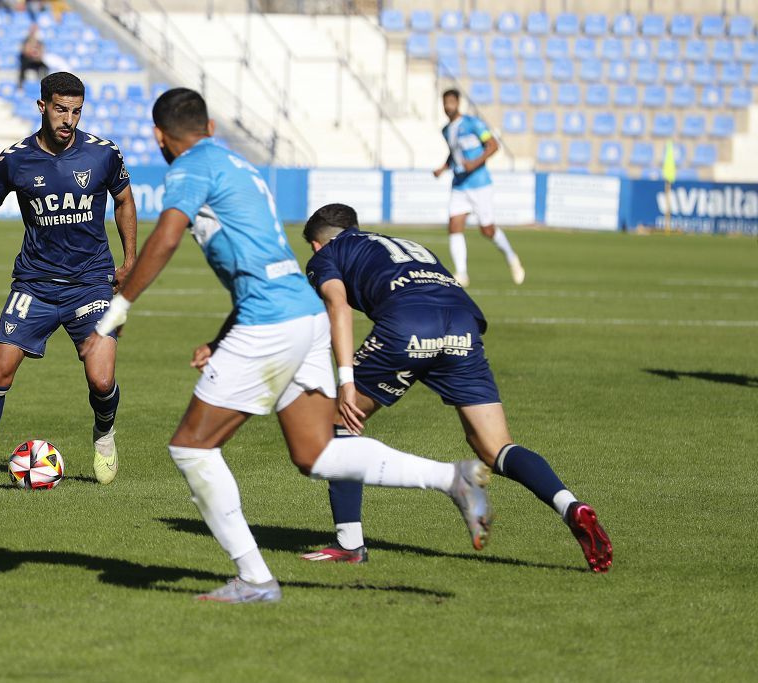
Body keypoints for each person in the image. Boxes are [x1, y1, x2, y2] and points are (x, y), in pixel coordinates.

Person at [80, 88, 492, 604]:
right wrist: (222, 337)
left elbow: (165, 237)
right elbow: (262, 264)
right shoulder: (242, 168)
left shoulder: (188, 167)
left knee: (191, 446)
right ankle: (451, 477)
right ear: (211, 127)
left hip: (270, 325)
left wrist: (114, 314)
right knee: (315, 453)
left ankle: (254, 579)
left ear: (160, 137)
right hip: (303, 316)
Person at [300, 203, 612, 573]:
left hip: (408, 325)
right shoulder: (403, 245)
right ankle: (570, 506)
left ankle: (349, 544)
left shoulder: (328, 254)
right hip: (463, 324)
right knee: (494, 447)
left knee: (338, 424)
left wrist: (346, 379)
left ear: (317, 245)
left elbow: (338, 305)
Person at [0, 72, 137, 487]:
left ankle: (104, 435)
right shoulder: (15, 159)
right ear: (42, 106)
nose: (69, 119)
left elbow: (123, 199)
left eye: (77, 111)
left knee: (101, 379)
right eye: (62, 109)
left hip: (92, 282)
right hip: (35, 284)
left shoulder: (103, 154)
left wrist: (131, 258)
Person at [433, 89, 524, 289]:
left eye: (451, 102)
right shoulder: (446, 130)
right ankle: (462, 273)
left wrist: (474, 163)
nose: (448, 106)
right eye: (445, 102)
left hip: (479, 184)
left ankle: (511, 256)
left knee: (487, 229)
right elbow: (454, 154)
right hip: (459, 184)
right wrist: (443, 167)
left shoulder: (473, 124)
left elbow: (493, 145)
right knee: (454, 226)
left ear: (458, 103)